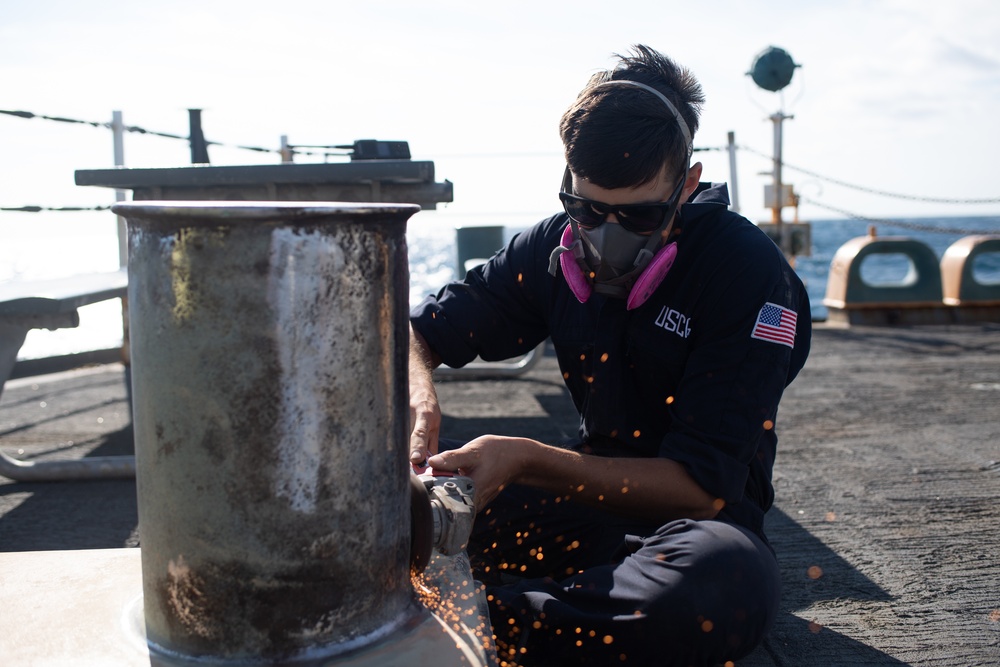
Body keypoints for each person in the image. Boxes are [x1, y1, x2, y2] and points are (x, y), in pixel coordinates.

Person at [408, 44, 811, 667]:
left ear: (688, 186)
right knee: (405, 504)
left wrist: (522, 458)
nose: (605, 236)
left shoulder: (747, 273)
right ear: (568, 182)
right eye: (588, 209)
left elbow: (698, 489)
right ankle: (499, 615)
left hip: (696, 524)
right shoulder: (548, 247)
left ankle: (470, 628)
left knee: (723, 585)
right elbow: (417, 333)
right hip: (583, 500)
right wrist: (419, 398)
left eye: (639, 215)